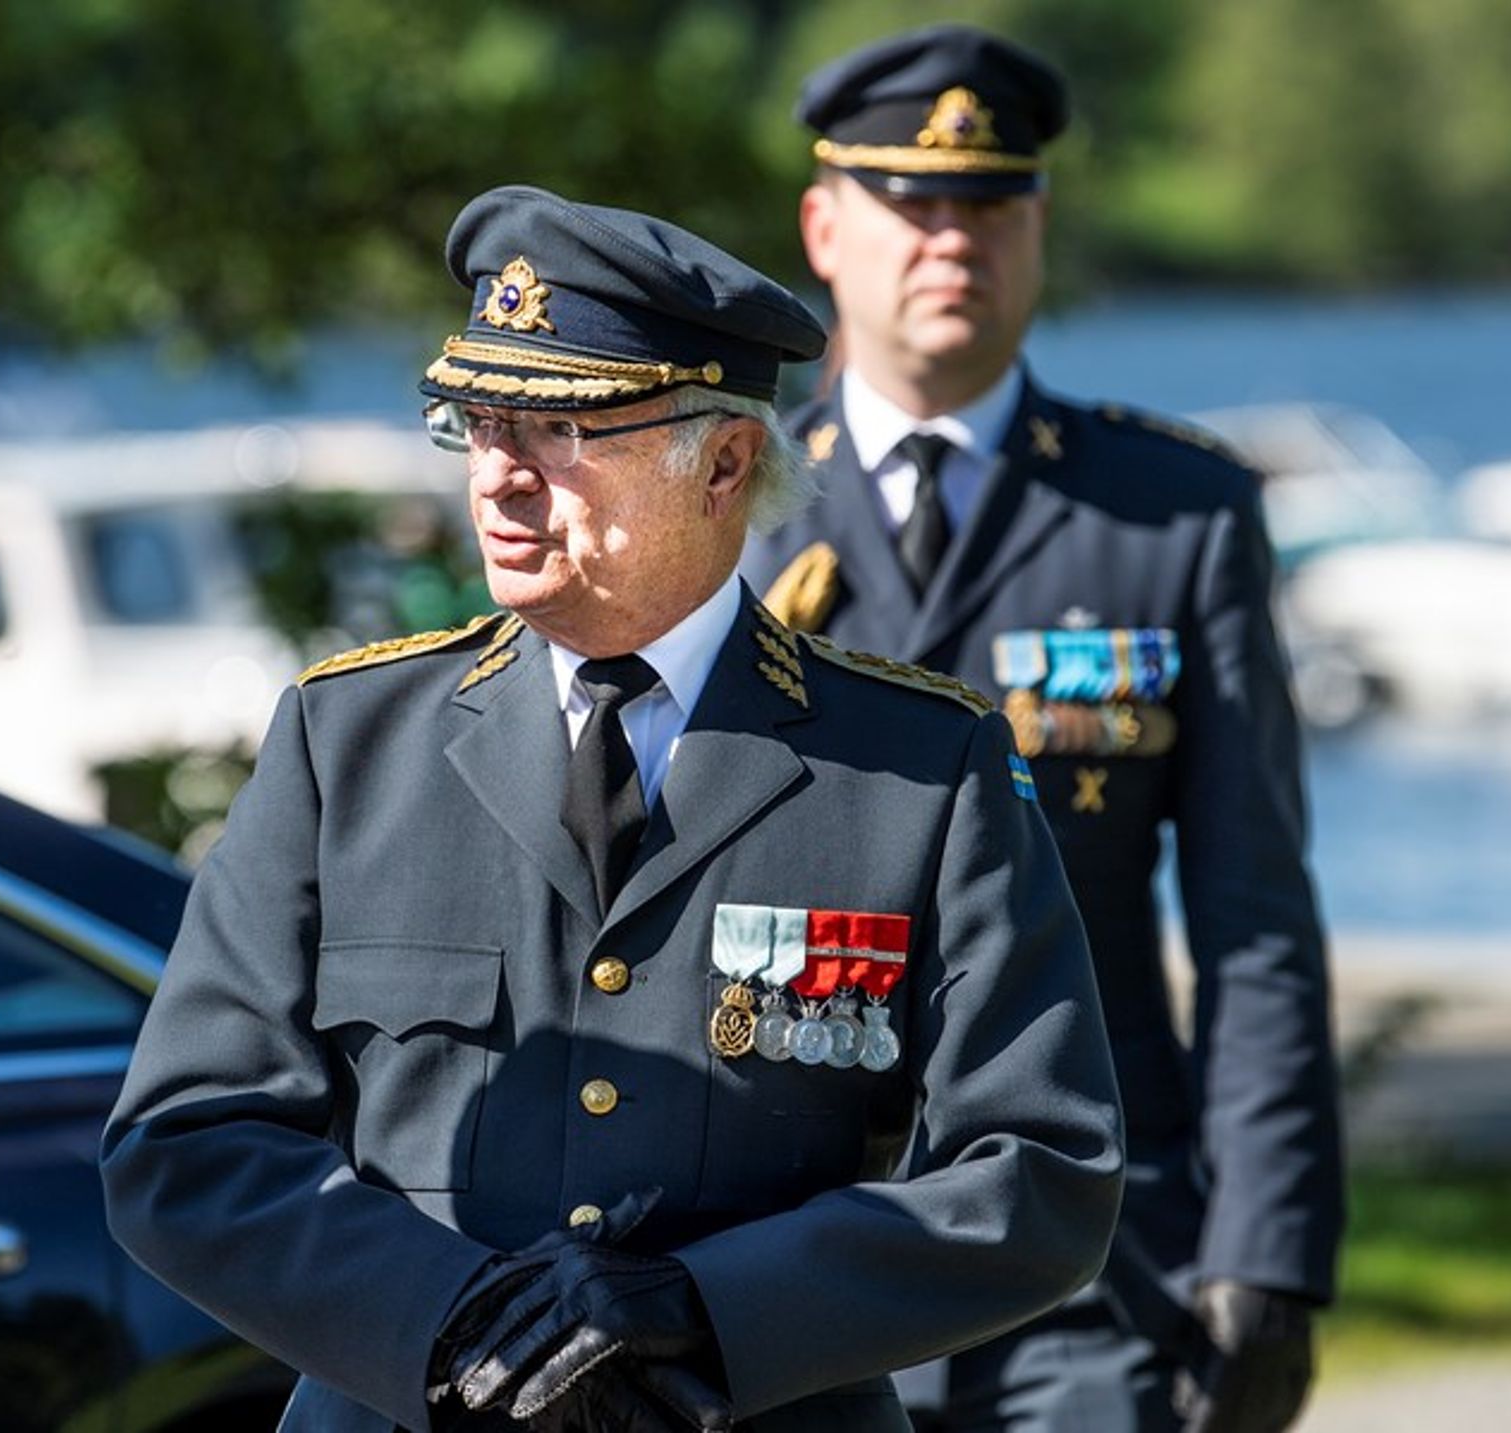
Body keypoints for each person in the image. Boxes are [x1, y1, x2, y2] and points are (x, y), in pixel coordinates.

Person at [102, 183, 1124, 1432]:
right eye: (476, 423)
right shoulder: (349, 741)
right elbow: (184, 1144)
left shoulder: (916, 764)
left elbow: (1041, 1171)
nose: (499, 478)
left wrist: (709, 1305)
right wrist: (450, 1313)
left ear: (727, 462)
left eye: (560, 430)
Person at [739, 25, 1344, 1433]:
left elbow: (1256, 917)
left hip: (1098, 1240)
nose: (953, 238)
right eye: (911, 203)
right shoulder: (728, 513)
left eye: (990, 204)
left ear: (1039, 228)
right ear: (826, 229)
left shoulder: (1174, 515)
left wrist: (1271, 1247)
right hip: (790, 1237)